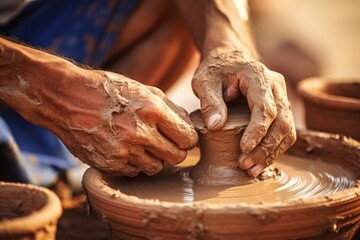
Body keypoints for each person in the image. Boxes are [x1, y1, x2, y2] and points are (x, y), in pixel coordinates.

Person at [0, 0, 296, 185]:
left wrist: (228, 45)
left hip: (30, 21)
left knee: (183, 12)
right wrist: (58, 89)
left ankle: (52, 159)